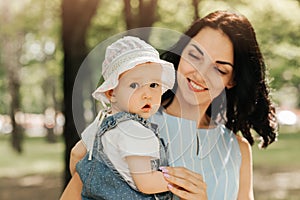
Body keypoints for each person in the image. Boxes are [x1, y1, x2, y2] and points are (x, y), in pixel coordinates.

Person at [64, 10, 278, 200]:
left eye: (219, 69)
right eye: (194, 55)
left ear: (232, 80)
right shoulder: (126, 126)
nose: (199, 73)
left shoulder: (238, 149)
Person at [61, 36, 176, 200]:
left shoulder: (101, 123)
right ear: (111, 93)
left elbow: (76, 154)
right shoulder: (136, 132)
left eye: (154, 85)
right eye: (134, 85)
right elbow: (146, 183)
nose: (147, 95)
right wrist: (177, 180)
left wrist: (87, 184)